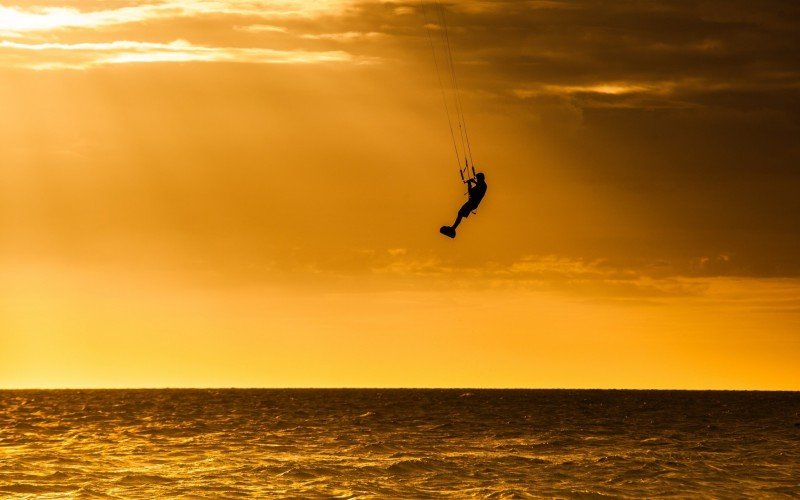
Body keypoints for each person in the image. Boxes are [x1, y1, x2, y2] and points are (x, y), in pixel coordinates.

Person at [440, 172, 487, 238]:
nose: (476, 179)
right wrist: (472, 183)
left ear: (480, 178)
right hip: (472, 203)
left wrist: (469, 183)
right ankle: (453, 228)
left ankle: (453, 229)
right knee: (460, 213)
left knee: (460, 213)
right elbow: (475, 189)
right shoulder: (482, 185)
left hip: (472, 203)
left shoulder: (482, 185)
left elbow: (471, 192)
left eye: (477, 178)